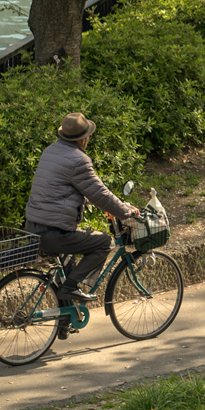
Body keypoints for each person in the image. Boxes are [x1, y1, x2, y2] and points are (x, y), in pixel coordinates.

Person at [25, 112, 139, 338]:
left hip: (33, 226)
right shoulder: (79, 160)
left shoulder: (51, 151)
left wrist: (91, 200)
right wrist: (126, 212)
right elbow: (101, 194)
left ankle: (64, 321)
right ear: (83, 139)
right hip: (53, 232)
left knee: (68, 267)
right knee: (103, 242)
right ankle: (71, 288)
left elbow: (64, 189)